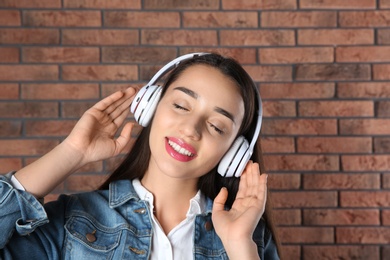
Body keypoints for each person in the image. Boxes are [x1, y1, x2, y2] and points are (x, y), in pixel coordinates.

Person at [0, 53, 280, 259]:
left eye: (217, 126)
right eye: (181, 106)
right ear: (150, 106)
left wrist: (240, 246)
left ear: (234, 153)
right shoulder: (73, 221)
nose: (190, 129)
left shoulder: (248, 237)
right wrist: (71, 153)